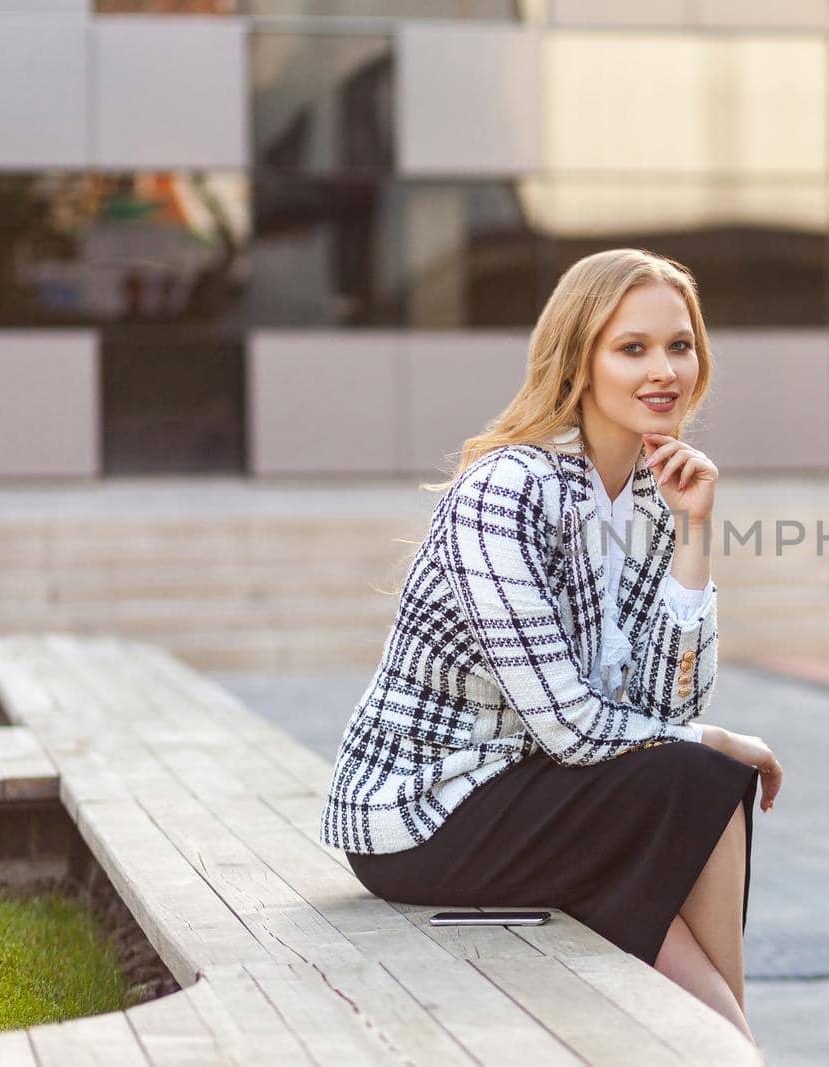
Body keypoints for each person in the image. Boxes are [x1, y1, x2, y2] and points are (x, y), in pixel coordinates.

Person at [318, 248, 783, 1042]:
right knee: (704, 771)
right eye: (631, 347)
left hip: (546, 790)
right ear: (579, 360)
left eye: (679, 344)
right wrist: (713, 739)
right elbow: (574, 725)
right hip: (431, 810)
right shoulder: (506, 490)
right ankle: (738, 1045)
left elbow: (664, 705)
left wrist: (692, 533)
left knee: (706, 782)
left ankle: (734, 1044)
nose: (663, 368)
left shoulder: (647, 492)